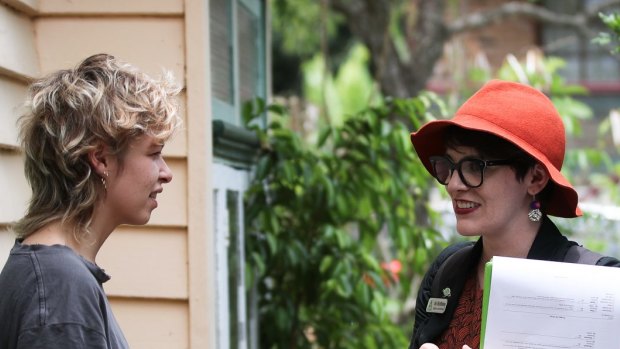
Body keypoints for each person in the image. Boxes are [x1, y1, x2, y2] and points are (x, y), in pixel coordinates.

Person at [407, 79, 620, 349]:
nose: (453, 184)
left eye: (474, 166)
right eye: (448, 165)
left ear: (535, 179)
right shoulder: (446, 271)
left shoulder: (598, 286)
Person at [0, 53, 182, 348]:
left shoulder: (52, 276)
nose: (166, 173)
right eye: (153, 153)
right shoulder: (60, 289)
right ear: (100, 159)